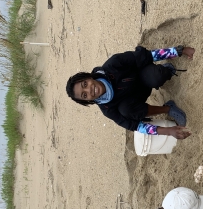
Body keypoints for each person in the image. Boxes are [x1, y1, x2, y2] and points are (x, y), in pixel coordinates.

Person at [65, 45, 195, 140]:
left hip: (142, 76)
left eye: (85, 84)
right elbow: (136, 126)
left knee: (157, 76)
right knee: (125, 111)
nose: (89, 90)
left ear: (89, 77)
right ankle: (168, 108)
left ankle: (164, 71)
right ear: (87, 101)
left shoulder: (113, 65)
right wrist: (168, 131)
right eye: (84, 95)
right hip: (137, 100)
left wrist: (179, 51)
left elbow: (147, 56)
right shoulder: (107, 109)